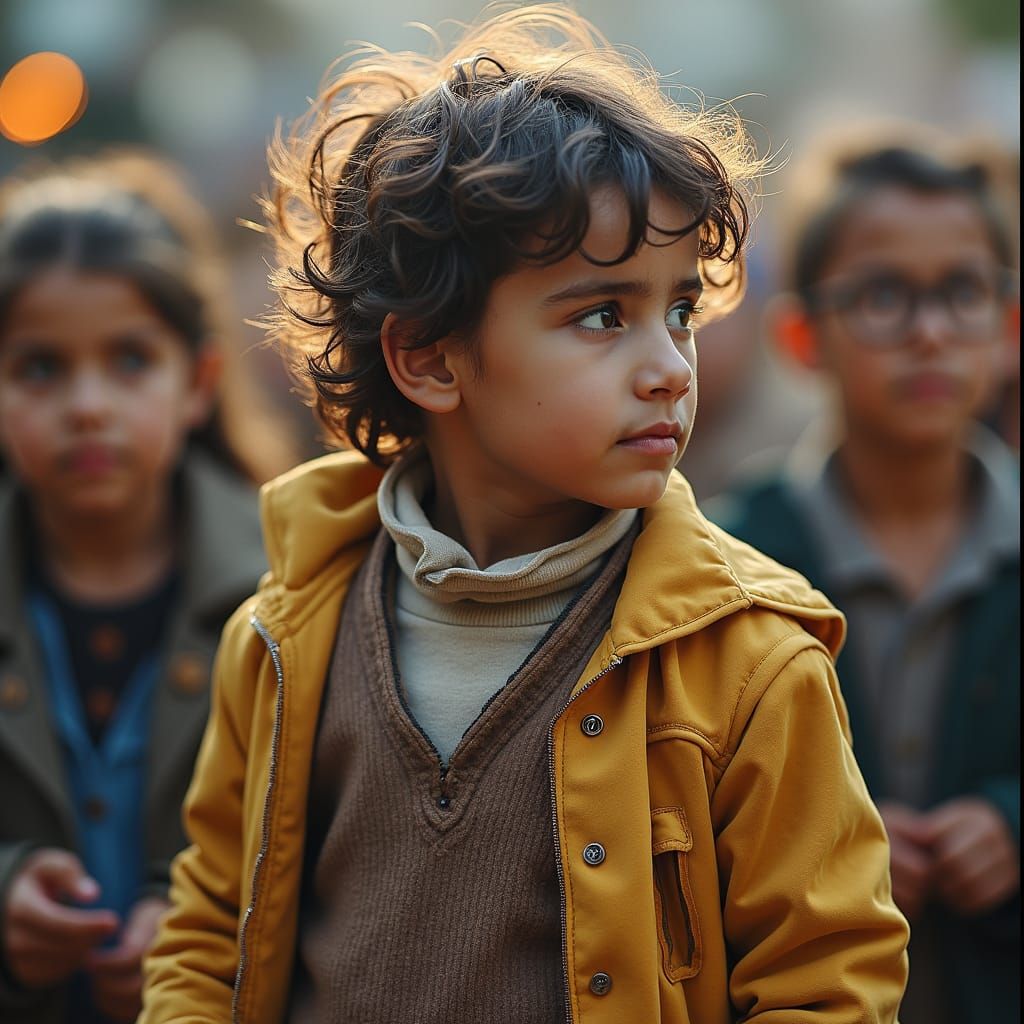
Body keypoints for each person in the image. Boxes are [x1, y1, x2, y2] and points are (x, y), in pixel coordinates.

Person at [141, 8, 909, 1022]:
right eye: (602, 314)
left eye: (679, 309)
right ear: (427, 357)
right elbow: (209, 933)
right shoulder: (284, 633)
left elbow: (827, 976)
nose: (668, 368)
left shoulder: (753, 658)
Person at [710, 129, 1020, 1023]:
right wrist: (821, 836)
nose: (928, 333)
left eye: (961, 292)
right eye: (883, 295)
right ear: (804, 336)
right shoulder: (730, 567)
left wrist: (1011, 822)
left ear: (1007, 327)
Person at [0, 151, 272, 1023]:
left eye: (128, 360)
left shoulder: (292, 587)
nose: (87, 405)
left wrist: (202, 931)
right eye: (40, 368)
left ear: (197, 382)